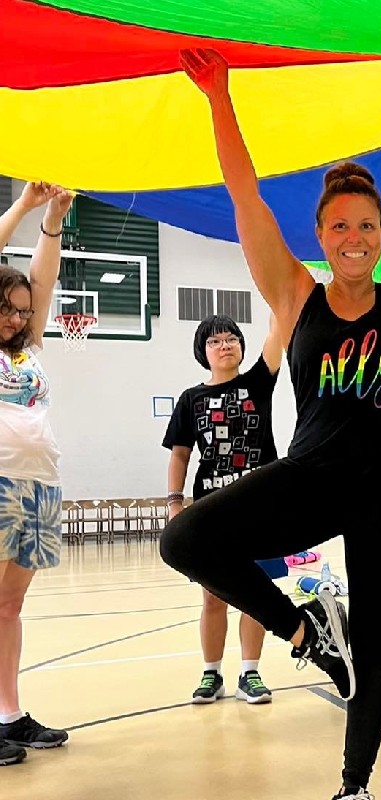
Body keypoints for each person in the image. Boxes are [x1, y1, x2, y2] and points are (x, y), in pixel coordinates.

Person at [160, 48, 381, 800]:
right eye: (339, 225)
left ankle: (354, 786)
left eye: (367, 224)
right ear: (322, 233)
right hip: (314, 480)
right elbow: (245, 198)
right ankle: (302, 632)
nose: (354, 236)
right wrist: (218, 97)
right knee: (186, 539)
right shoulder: (296, 295)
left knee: (373, 648)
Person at [162, 313, 283, 704]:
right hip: (210, 509)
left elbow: (278, 329)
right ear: (203, 352)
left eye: (231, 338)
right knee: (213, 597)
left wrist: (280, 291)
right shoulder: (190, 399)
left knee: (256, 593)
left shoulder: (257, 384)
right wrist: (174, 503)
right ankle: (211, 674)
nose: (225, 344)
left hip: (260, 507)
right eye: (215, 341)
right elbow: (180, 455)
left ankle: (251, 673)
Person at [0, 182, 74, 766]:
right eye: (7, 308)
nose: (19, 317)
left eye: (23, 311)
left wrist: (54, 218)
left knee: (10, 608)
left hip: (39, 487)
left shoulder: (28, 351)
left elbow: (42, 281)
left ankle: (9, 713)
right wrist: (23, 206)